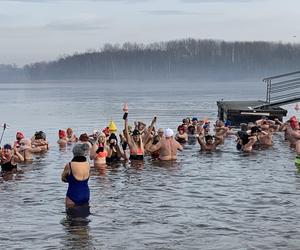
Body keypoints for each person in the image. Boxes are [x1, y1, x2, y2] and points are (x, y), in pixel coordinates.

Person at [61, 143, 90, 209]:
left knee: (71, 217)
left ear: (74, 152)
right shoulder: (88, 164)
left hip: (73, 195)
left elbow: (63, 178)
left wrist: (70, 179)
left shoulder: (69, 165)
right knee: (85, 217)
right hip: (86, 194)